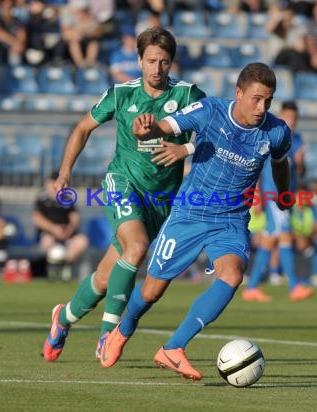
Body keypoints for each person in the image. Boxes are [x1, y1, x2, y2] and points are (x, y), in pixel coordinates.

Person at [99, 62, 292, 381]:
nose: (262, 107)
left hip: (231, 220)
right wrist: (146, 127)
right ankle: (124, 329)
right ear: (239, 93)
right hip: (190, 214)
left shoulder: (276, 131)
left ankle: (173, 348)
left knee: (232, 276)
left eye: (268, 100)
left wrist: (284, 194)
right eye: (256, 98)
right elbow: (162, 127)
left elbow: (281, 162)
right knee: (150, 292)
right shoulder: (210, 111)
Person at [43, 27, 206, 362]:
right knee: (136, 248)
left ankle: (63, 318)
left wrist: (185, 149)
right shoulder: (121, 94)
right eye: (150, 61)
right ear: (138, 60)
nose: (157, 69)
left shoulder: (189, 95)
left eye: (163, 62)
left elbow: (215, 131)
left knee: (106, 277)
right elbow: (83, 127)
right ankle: (108, 337)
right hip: (122, 182)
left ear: (171, 62)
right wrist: (64, 172)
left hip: (161, 198)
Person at [243, 101, 314, 302]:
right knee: (285, 237)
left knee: (269, 240)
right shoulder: (273, 135)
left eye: (294, 118)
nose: (291, 121)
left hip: (286, 196)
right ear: (282, 116)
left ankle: (252, 286)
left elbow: (300, 171)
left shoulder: (297, 140)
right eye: (288, 117)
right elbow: (258, 166)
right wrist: (256, 194)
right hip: (273, 195)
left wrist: (300, 163)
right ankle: (294, 285)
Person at [32, 172, 89, 281]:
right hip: (49, 234)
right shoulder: (42, 200)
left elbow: (75, 218)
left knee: (82, 241)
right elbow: (37, 219)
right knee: (47, 241)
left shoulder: (67, 199)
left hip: (67, 234)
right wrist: (53, 229)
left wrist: (70, 229)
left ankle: (64, 265)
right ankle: (51, 270)